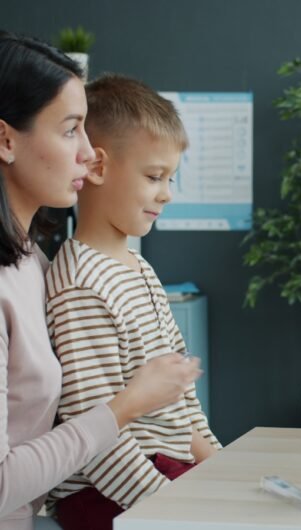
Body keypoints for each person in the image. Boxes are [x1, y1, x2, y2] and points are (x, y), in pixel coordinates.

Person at [0, 31, 202, 530]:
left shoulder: (33, 264)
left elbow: (184, 412)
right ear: (6, 139)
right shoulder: (68, 281)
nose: (90, 154)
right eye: (71, 130)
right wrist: (129, 406)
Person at [44, 74, 221, 529]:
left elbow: (183, 406)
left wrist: (223, 470)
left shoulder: (139, 270)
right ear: (98, 168)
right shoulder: (81, 285)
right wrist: (174, 509)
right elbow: (97, 437)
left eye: (170, 178)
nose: (167, 192)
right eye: (153, 176)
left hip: (160, 474)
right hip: (107, 492)